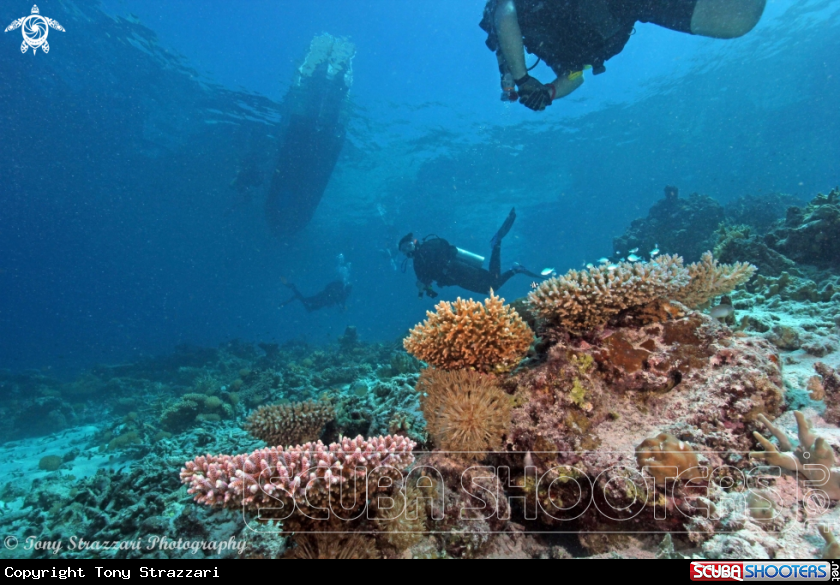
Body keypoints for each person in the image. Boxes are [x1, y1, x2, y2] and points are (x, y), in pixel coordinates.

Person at [481, 0, 767, 111]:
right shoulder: (543, 39)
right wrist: (548, 92)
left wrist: (522, 78)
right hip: (621, 14)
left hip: (610, 9)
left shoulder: (507, 9)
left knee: (736, 20)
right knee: (737, 20)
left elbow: (505, 14)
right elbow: (576, 74)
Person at [399, 208, 540, 299]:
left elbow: (445, 249)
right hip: (456, 279)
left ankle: (497, 244)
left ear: (415, 242)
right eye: (404, 250)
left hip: (459, 269)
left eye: (408, 246)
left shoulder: (427, 247)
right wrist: (427, 289)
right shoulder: (417, 264)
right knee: (490, 289)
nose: (408, 250)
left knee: (492, 285)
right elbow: (427, 280)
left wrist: (428, 280)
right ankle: (514, 268)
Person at [280, 279, 352, 312]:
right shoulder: (340, 291)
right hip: (321, 298)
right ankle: (293, 289)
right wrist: (342, 307)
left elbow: (341, 303)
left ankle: (295, 294)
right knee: (307, 304)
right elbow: (339, 300)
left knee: (308, 308)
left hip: (322, 299)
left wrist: (342, 308)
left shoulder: (342, 294)